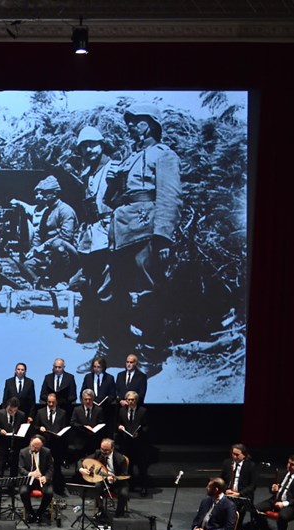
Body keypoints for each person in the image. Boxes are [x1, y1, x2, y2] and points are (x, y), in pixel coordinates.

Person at [102, 104, 182, 373]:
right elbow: (112, 200)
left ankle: (151, 355)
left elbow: (169, 197)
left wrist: (163, 237)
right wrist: (113, 182)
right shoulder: (129, 159)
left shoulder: (164, 155)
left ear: (148, 125)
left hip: (147, 229)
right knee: (117, 292)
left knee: (149, 292)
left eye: (136, 121)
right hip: (123, 231)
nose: (131, 126)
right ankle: (116, 351)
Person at [70, 126, 115, 346]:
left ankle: (105, 339)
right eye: (84, 147)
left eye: (93, 144)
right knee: (89, 284)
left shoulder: (115, 168)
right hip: (91, 233)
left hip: (109, 231)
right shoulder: (87, 173)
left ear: (103, 144)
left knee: (107, 286)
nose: (89, 150)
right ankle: (89, 333)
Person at [15, 175, 79, 289]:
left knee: (58, 245)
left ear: (54, 193)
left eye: (45, 193)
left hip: (66, 253)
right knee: (27, 264)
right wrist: (34, 249)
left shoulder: (65, 210)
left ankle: (64, 280)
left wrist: (43, 247)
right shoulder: (47, 211)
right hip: (48, 253)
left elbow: (66, 237)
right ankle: (40, 284)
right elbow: (39, 234)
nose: (42, 196)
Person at [79, 438, 129, 521]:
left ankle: (119, 516)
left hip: (117, 482)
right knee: (97, 487)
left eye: (106, 450)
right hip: (102, 480)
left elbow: (124, 475)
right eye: (102, 449)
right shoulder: (98, 453)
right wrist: (81, 469)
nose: (103, 451)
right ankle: (101, 511)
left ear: (112, 449)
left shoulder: (121, 459)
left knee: (124, 493)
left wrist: (115, 479)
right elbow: (81, 461)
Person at [32, 392, 69, 495]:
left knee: (56, 467)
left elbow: (65, 428)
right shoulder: (40, 412)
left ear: (56, 402)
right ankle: (41, 486)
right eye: (49, 402)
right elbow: (35, 427)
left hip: (57, 445)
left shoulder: (62, 413)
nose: (51, 404)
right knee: (43, 466)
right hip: (44, 445)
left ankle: (58, 489)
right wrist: (40, 428)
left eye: (53, 402)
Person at [115, 391, 149, 495]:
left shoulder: (142, 411)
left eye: (132, 400)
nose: (130, 402)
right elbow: (117, 423)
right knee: (127, 466)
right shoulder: (122, 411)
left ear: (136, 400)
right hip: (126, 443)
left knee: (141, 466)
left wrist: (140, 433)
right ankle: (130, 486)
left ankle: (144, 487)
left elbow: (146, 426)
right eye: (128, 400)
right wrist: (119, 427)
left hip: (138, 443)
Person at [19, 435, 54, 524]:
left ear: (41, 446)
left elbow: (51, 468)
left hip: (41, 479)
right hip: (29, 479)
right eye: (33, 446)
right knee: (23, 492)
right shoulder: (23, 452)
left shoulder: (47, 452)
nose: (34, 448)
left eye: (37, 447)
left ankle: (40, 513)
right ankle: (30, 512)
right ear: (30, 442)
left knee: (49, 493)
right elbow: (20, 468)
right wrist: (31, 474)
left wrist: (46, 477)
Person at [0, 397, 30, 476]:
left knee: (14, 467)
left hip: (15, 444)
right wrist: (0, 430)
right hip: (3, 443)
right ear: (7, 406)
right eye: (10, 410)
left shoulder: (21, 415)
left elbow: (23, 427)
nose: (12, 413)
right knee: (1, 466)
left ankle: (12, 485)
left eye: (15, 411)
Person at [71, 389, 105, 466]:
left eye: (89, 399)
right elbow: (73, 423)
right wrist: (83, 427)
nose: (87, 401)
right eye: (85, 399)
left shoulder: (99, 410)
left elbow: (101, 423)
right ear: (82, 399)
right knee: (80, 463)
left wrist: (95, 429)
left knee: (93, 463)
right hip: (80, 441)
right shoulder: (77, 409)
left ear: (93, 399)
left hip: (93, 441)